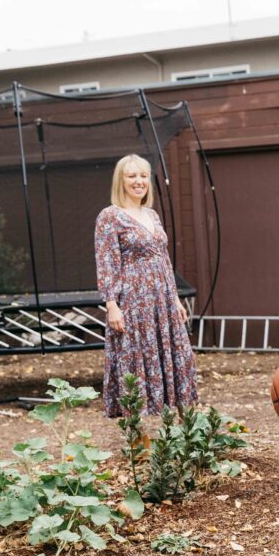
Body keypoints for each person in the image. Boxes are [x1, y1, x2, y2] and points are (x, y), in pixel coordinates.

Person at [94, 154, 198, 417]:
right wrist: (112, 305)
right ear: (121, 181)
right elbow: (106, 262)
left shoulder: (151, 214)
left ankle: (184, 428)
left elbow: (163, 259)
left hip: (162, 300)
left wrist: (174, 299)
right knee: (135, 360)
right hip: (134, 301)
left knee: (179, 356)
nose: (138, 181)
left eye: (142, 176)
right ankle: (138, 435)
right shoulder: (110, 216)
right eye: (132, 176)